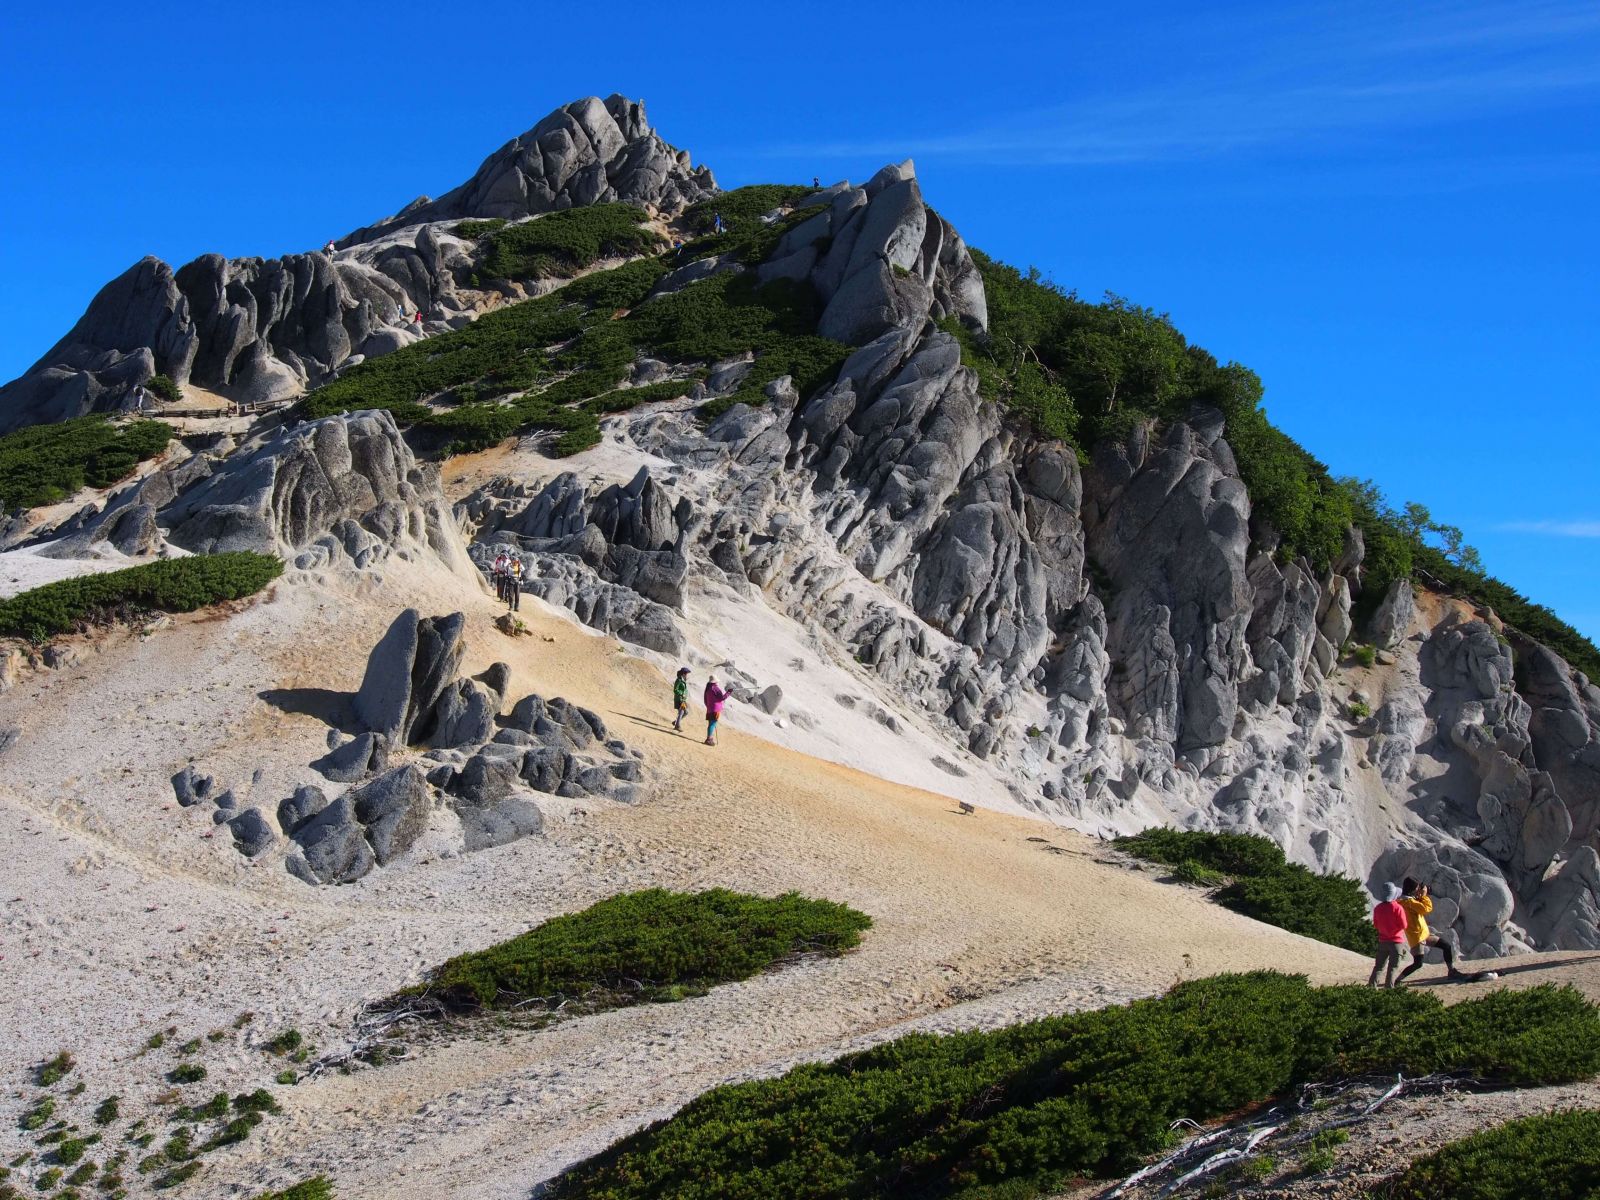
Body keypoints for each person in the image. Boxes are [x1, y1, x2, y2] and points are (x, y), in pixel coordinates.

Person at [1396, 878, 1465, 984]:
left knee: (1446, 945)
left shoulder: (1405, 900)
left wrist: (1419, 897)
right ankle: (1398, 980)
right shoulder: (1408, 902)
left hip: (1423, 934)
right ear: (1412, 890)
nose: (1418, 890)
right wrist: (1424, 896)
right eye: (1417, 888)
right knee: (1418, 963)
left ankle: (1451, 971)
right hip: (1418, 937)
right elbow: (1426, 908)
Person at [1368, 883, 1408, 988]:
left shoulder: (1378, 908)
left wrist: (1385, 930)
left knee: (1379, 967)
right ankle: (1389, 989)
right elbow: (1404, 925)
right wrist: (1393, 930)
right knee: (1393, 967)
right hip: (1396, 941)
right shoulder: (1398, 908)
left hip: (1383, 941)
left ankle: (1371, 987)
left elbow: (1376, 924)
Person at [703, 675, 730, 746]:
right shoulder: (715, 688)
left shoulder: (708, 688)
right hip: (715, 709)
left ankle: (709, 738)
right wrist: (729, 692)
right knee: (713, 724)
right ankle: (709, 739)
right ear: (715, 682)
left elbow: (705, 700)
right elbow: (722, 698)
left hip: (709, 709)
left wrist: (708, 706)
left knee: (710, 724)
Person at [672, 666, 691, 732]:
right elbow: (675, 690)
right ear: (683, 674)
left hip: (682, 699)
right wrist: (681, 693)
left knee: (685, 712)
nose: (687, 675)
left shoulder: (683, 680)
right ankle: (677, 726)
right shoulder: (679, 680)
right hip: (679, 699)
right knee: (682, 712)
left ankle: (676, 722)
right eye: (686, 674)